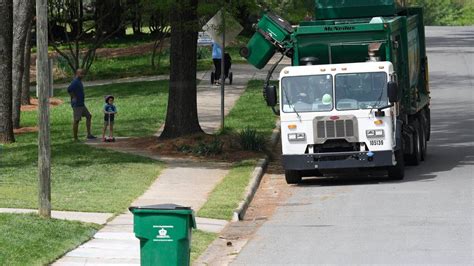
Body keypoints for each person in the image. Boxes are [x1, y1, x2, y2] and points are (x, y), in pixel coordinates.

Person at [67, 69, 96, 141]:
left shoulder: (79, 81)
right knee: (76, 120)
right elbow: (69, 89)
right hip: (77, 105)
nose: (82, 75)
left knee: (89, 116)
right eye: (81, 74)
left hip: (81, 104)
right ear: (77, 74)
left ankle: (89, 135)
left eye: (83, 74)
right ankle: (75, 138)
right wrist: (73, 97)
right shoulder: (75, 82)